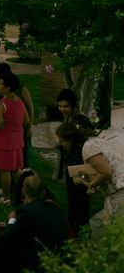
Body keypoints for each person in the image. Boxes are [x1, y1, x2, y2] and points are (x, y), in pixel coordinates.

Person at [56, 122, 124, 240]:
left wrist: (91, 185)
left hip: (119, 190)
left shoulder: (88, 148)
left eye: (62, 141)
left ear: (71, 139)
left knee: (110, 229)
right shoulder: (93, 141)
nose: (61, 145)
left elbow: (105, 172)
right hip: (117, 188)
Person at [0, 175, 70, 273]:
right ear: (44, 192)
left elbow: (7, 237)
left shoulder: (26, 211)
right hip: (62, 256)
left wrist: (12, 220)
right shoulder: (54, 207)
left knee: (2, 243)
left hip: (43, 261)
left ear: (23, 191)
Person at [54, 89, 93, 236]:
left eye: (66, 106)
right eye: (60, 106)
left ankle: (82, 237)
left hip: (80, 168)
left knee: (80, 204)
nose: (62, 109)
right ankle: (75, 235)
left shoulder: (80, 120)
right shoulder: (69, 119)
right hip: (71, 166)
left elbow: (89, 137)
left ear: (74, 106)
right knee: (73, 204)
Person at [0, 72, 25, 206]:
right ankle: (24, 194)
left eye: (1, 84)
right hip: (16, 140)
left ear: (8, 88)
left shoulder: (2, 104)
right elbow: (24, 120)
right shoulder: (19, 101)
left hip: (4, 141)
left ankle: (6, 198)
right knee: (16, 169)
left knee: (5, 170)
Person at [0, 63, 35, 168]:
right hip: (10, 130)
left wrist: (30, 127)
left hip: (15, 131)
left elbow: (30, 108)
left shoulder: (20, 90)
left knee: (20, 158)